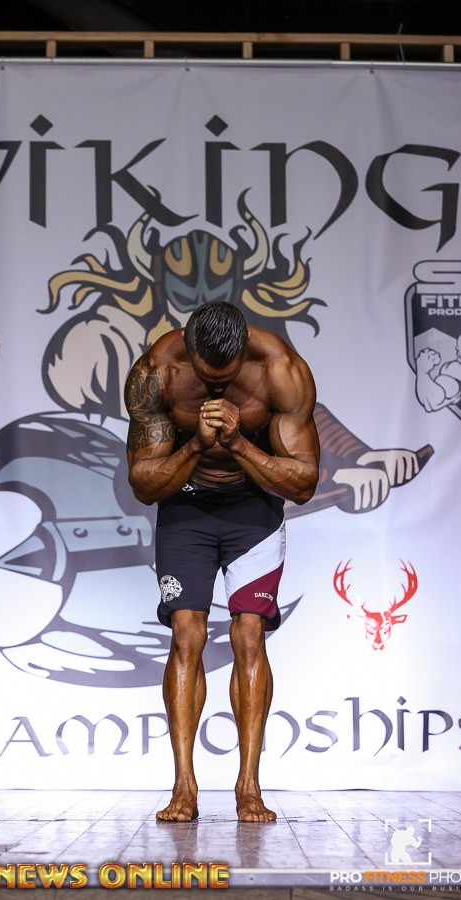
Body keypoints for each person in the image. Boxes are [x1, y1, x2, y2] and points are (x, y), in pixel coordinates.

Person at [124, 300, 319, 822]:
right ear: (189, 350)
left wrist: (237, 444)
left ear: (242, 352)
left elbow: (304, 483)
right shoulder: (157, 371)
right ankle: (184, 786)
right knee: (185, 634)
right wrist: (195, 445)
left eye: (225, 378)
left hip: (253, 508)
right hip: (185, 506)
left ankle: (248, 787)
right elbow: (143, 484)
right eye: (206, 377)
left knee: (249, 634)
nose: (215, 388)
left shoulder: (280, 368)